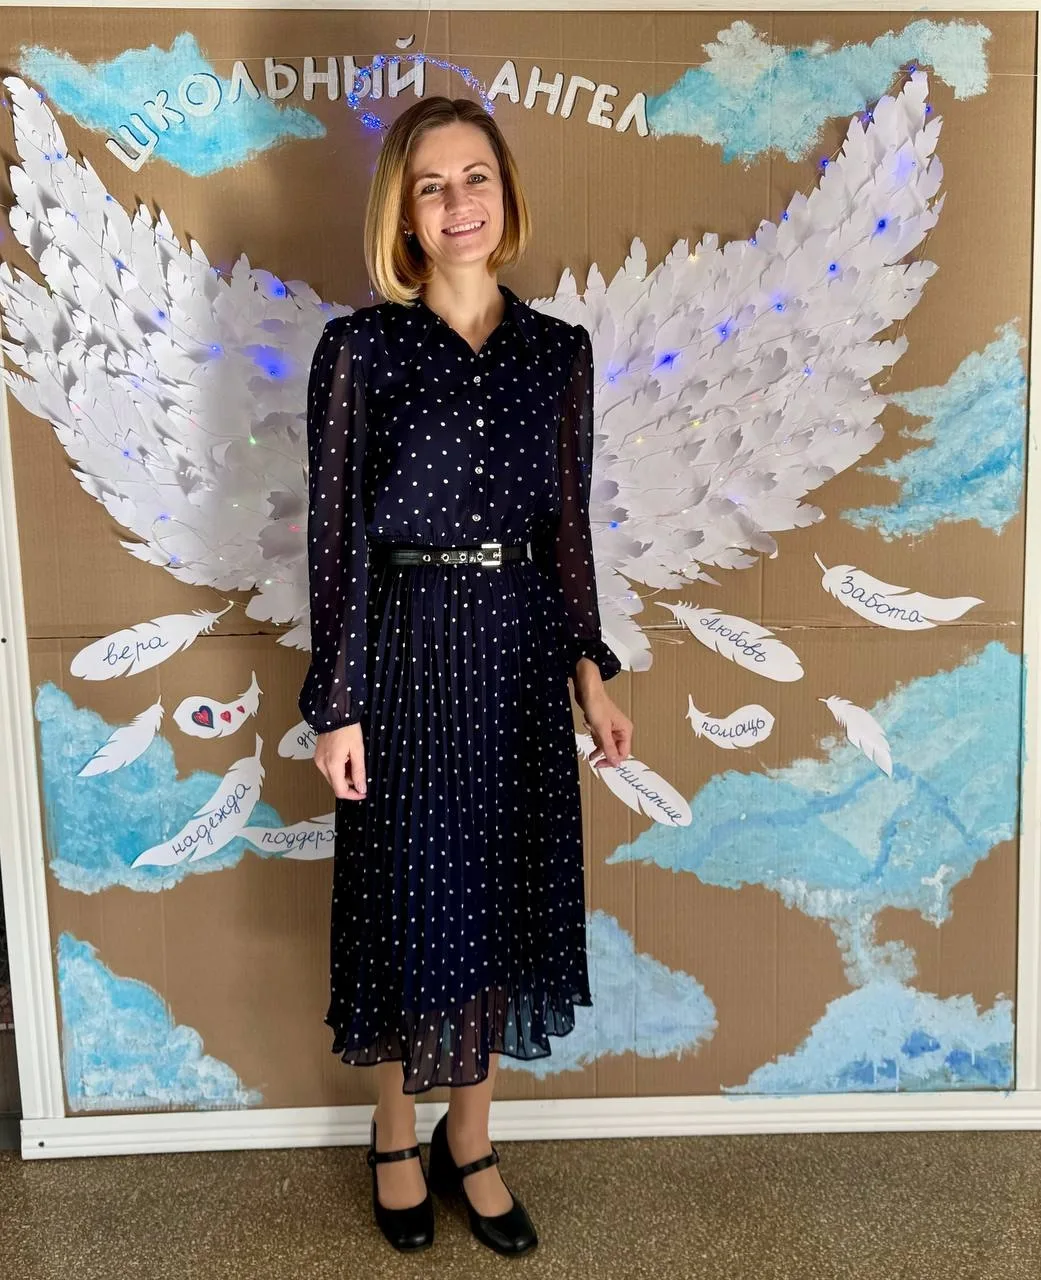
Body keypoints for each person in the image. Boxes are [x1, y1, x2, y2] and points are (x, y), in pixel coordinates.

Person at [298, 94, 633, 1256]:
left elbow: (569, 530)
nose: (456, 203)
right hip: (402, 653)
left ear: (505, 192)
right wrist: (337, 703)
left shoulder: (558, 352)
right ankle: (395, 1131)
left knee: (503, 896)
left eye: (474, 177)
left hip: (520, 654)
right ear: (403, 210)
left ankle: (473, 1137)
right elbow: (335, 539)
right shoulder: (361, 350)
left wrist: (592, 674)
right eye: (431, 185)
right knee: (407, 900)